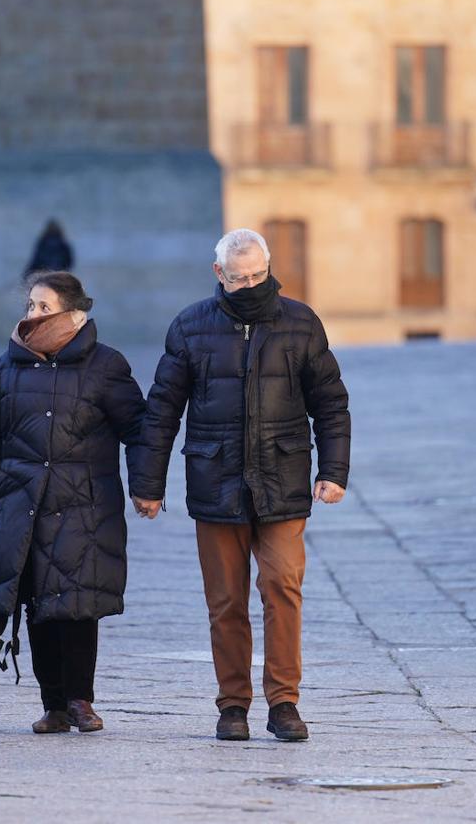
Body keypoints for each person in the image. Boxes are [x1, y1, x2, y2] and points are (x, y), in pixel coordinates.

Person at [130, 228, 351, 742]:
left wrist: (334, 472)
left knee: (282, 588)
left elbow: (331, 403)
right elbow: (162, 410)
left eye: (257, 275)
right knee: (226, 602)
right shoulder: (189, 327)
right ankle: (232, 706)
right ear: (218, 275)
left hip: (284, 479)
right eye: (238, 278)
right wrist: (148, 484)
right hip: (216, 482)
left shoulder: (301, 323)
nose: (249, 285)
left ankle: (284, 702)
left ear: (268, 268)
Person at [0, 271, 145, 734]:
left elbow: (137, 431)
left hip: (85, 504)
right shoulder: (10, 365)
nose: (33, 315)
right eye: (30, 307)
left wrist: (148, 486)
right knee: (37, 604)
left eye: (44, 307)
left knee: (78, 604)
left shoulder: (106, 365)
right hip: (23, 502)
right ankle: (54, 705)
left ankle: (81, 699)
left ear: (75, 313)